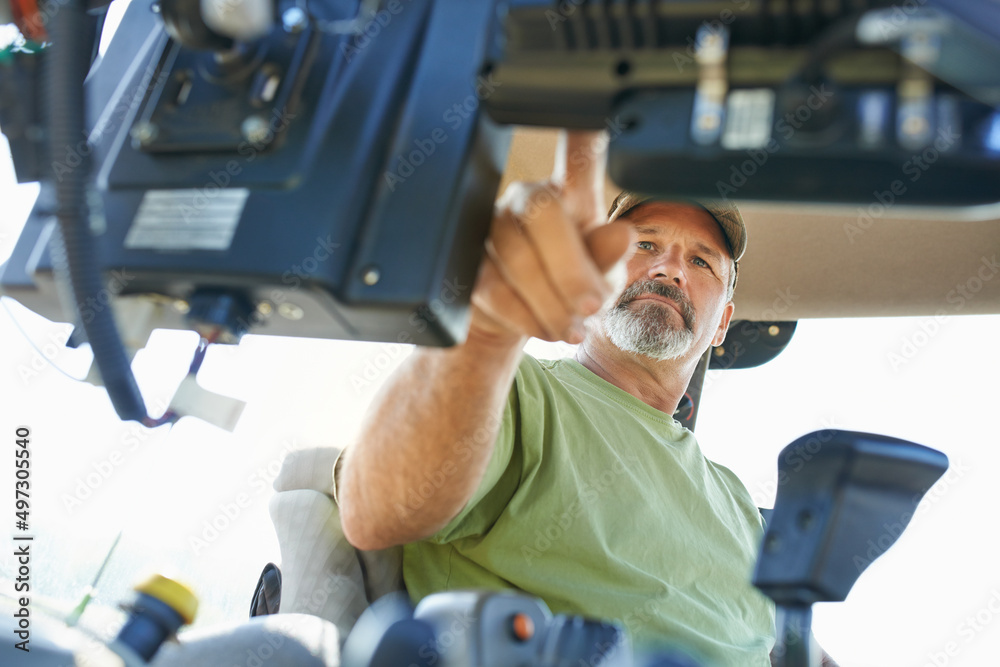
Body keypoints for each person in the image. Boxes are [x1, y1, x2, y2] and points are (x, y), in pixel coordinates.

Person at [334, 132, 830, 665]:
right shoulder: (514, 390)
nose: (669, 269)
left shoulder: (740, 507)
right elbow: (377, 511)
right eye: (644, 245)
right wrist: (488, 324)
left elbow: (798, 648)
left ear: (722, 326)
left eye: (703, 262)